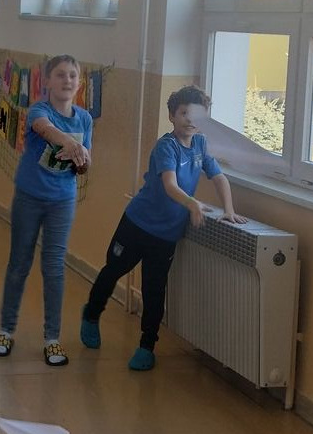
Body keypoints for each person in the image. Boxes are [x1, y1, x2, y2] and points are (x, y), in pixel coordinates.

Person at [79, 84, 245, 371]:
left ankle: (146, 347)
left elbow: (219, 177)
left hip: (166, 236)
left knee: (154, 290)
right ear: (172, 116)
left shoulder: (201, 144)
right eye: (184, 113)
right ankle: (91, 314)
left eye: (197, 115)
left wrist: (229, 210)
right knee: (114, 270)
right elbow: (170, 185)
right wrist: (192, 204)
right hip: (137, 224)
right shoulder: (166, 146)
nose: (190, 120)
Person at [0, 54, 92, 367]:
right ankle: (5, 331)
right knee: (19, 263)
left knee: (54, 267)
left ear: (79, 82)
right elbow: (44, 129)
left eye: (72, 75)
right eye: (60, 74)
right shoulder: (39, 109)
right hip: (29, 198)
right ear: (47, 81)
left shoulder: (84, 119)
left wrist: (82, 160)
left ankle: (52, 338)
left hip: (62, 201)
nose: (67, 80)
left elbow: (85, 164)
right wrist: (70, 144)